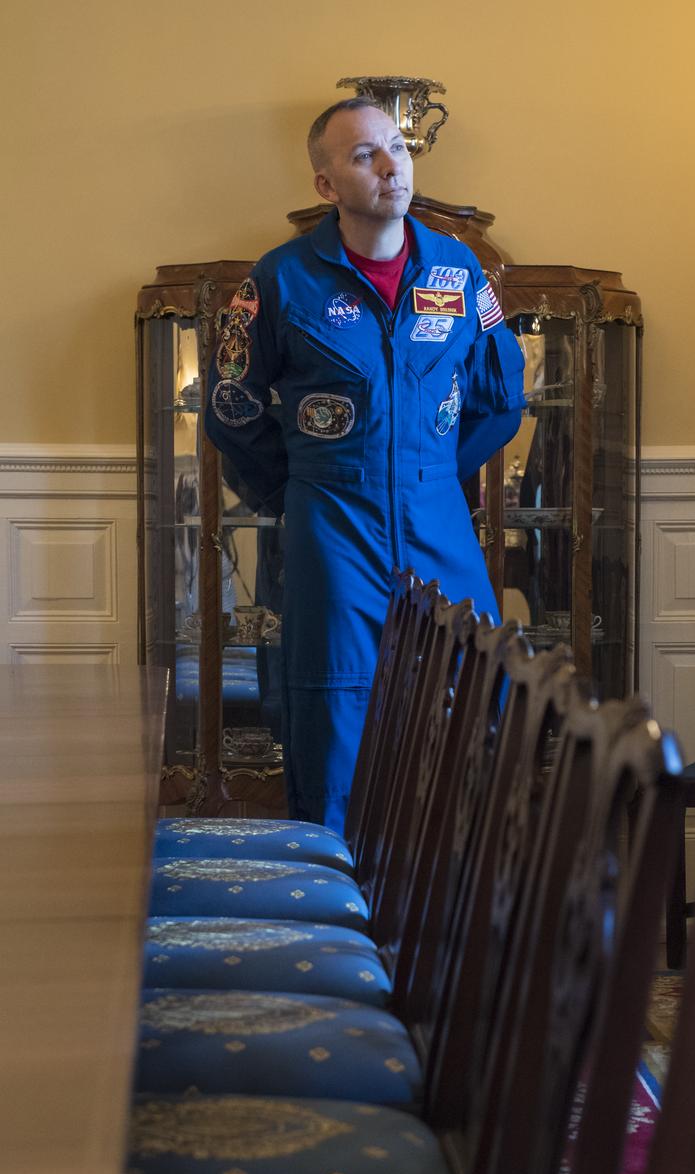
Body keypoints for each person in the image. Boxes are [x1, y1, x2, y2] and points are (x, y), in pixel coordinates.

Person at [205, 99, 525, 829]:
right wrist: (292, 491)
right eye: (364, 157)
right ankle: (338, 917)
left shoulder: (459, 268)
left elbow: (501, 398)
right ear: (326, 186)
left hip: (437, 521)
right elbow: (232, 404)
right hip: (331, 526)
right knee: (333, 714)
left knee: (476, 702)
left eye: (398, 150)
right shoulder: (281, 280)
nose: (391, 168)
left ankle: (464, 911)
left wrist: (433, 470)